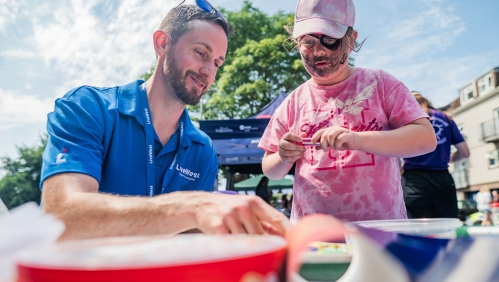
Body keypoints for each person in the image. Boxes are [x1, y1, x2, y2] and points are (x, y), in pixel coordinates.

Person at [40, 2, 290, 240]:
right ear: (162, 43)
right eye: (201, 53)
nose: (208, 71)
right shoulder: (88, 107)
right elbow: (61, 218)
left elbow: (190, 238)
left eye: (217, 63)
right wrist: (194, 207)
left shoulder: (202, 150)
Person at [259, 0, 436, 223]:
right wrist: (283, 158)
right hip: (314, 238)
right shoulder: (293, 102)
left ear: (351, 41)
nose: (319, 51)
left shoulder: (381, 84)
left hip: (380, 232)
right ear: (297, 44)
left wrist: (358, 139)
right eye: (308, 42)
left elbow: (426, 139)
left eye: (330, 40)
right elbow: (270, 169)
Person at [401, 92, 470, 218]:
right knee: (447, 225)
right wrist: (444, 158)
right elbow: (465, 153)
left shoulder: (404, 118)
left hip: (414, 179)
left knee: (417, 228)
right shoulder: (445, 118)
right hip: (442, 178)